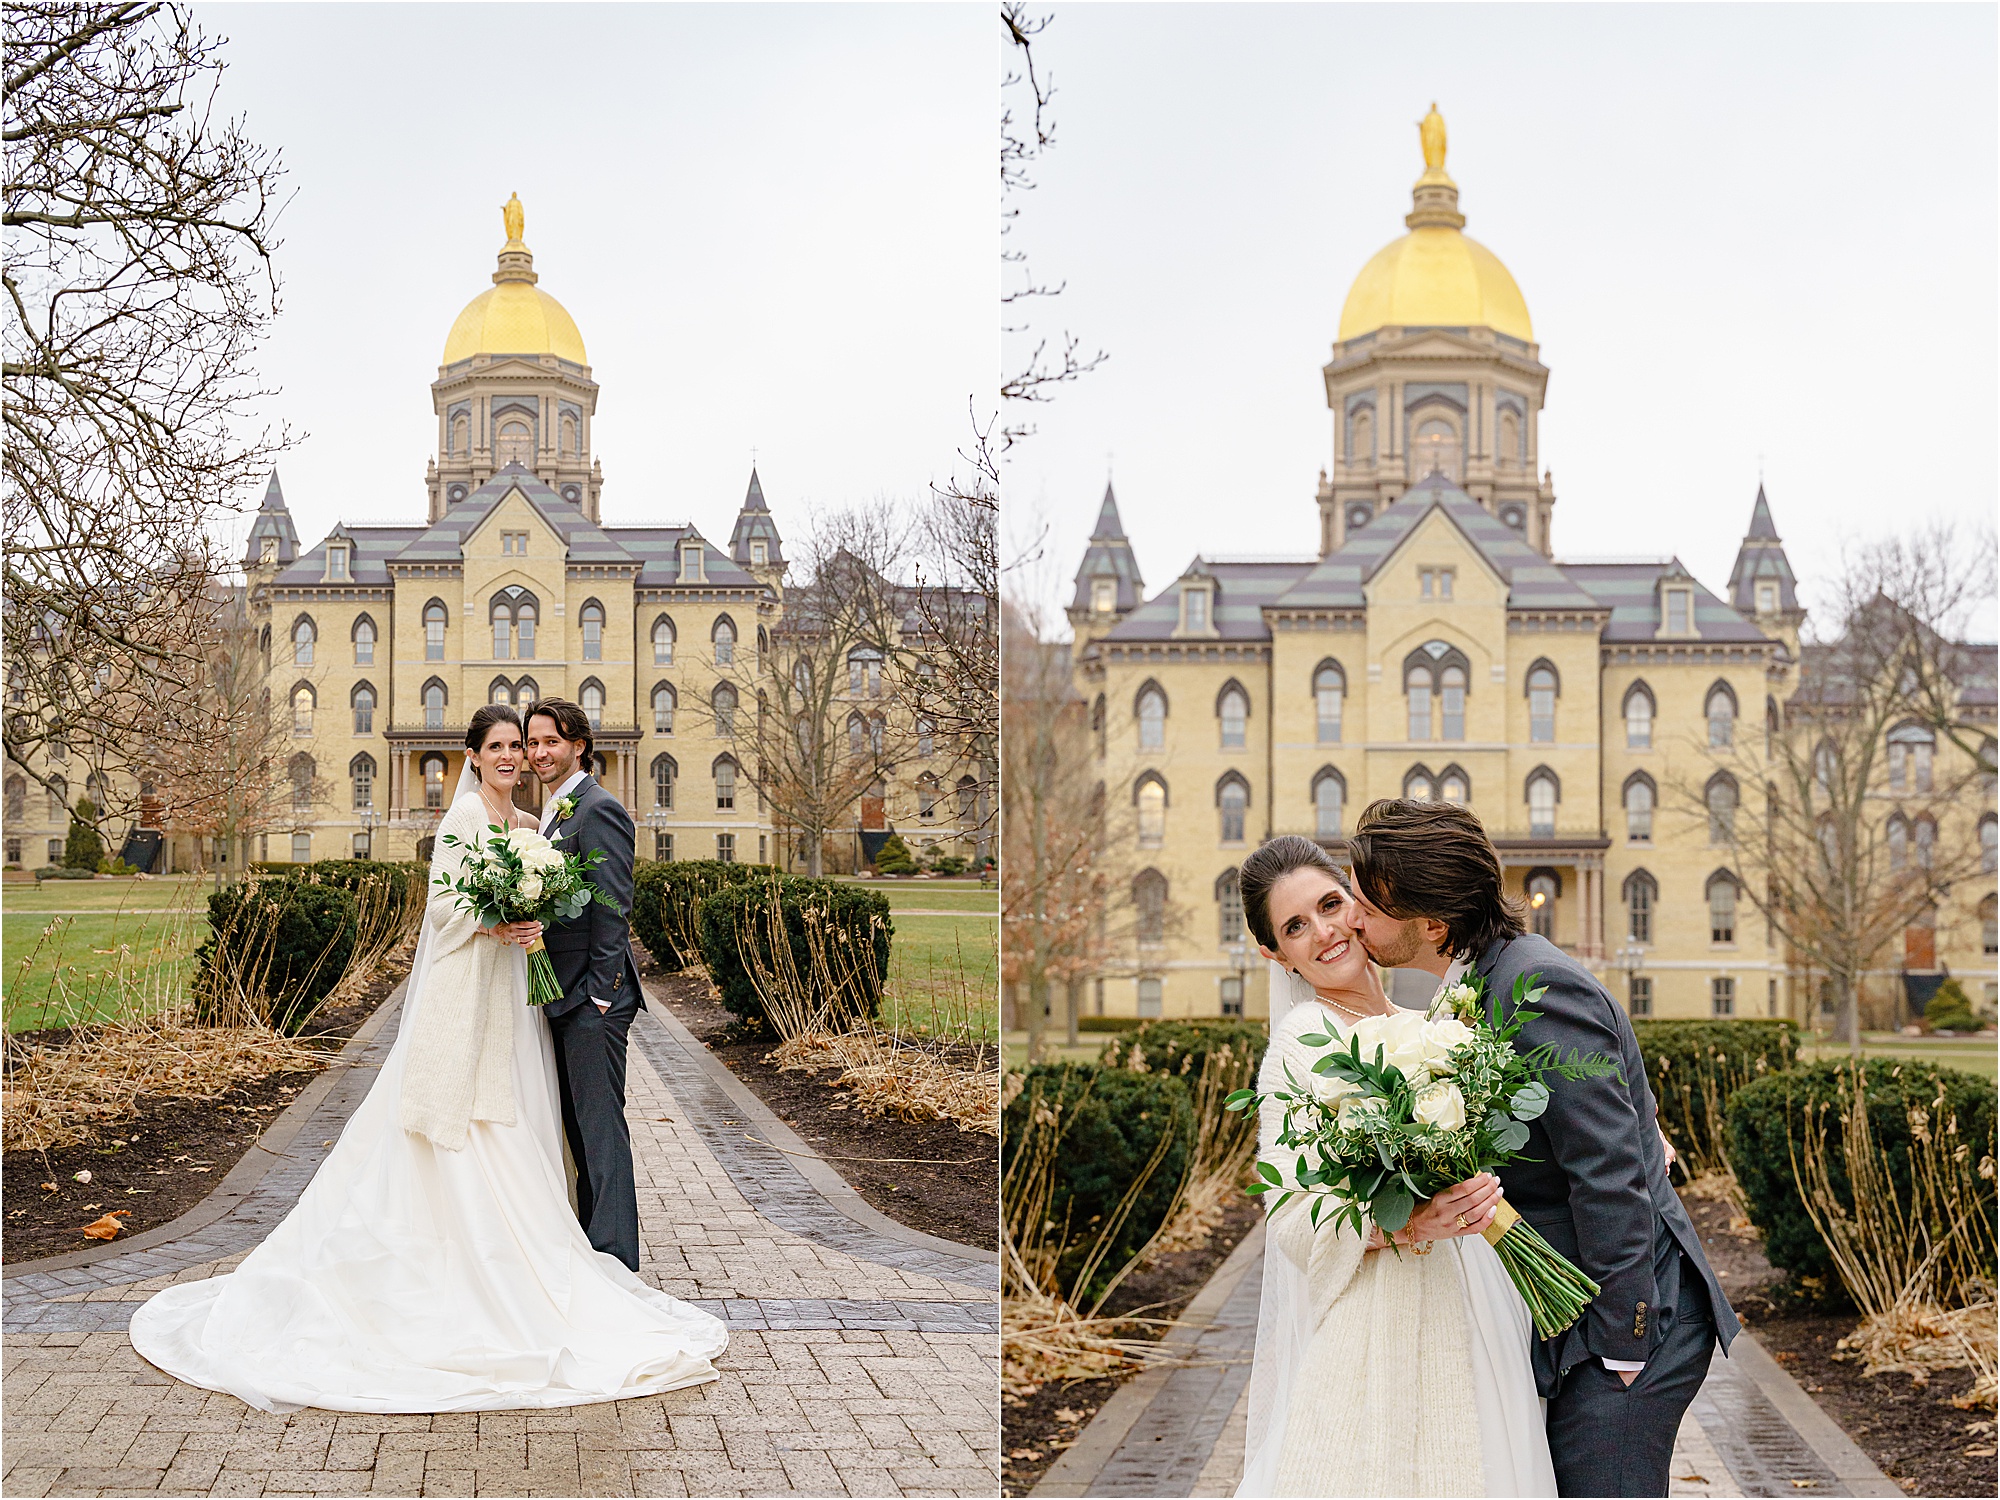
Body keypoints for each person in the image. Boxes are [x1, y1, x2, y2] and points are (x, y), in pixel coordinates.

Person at [129, 705, 727, 1413]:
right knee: (490, 1121)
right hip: (475, 992)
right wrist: (496, 916)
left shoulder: (534, 825)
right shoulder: (468, 818)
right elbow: (445, 907)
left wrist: (583, 977)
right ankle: (500, 1271)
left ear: (571, 747)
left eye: (530, 743)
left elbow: (604, 907)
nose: (519, 755)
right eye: (505, 745)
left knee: (560, 1124)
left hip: (531, 999)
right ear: (473, 755)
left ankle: (593, 1264)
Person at [1345, 798, 1739, 1499]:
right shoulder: (1476, 981)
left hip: (1634, 1319)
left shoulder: (1534, 984)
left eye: (1370, 909)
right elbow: (1601, 1114)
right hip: (1575, 1316)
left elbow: (1608, 1171)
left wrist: (1625, 1342)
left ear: (1432, 923)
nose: (1354, 921)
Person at [1236, 834, 1556, 1499]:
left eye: (1330, 904)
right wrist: (1403, 1221)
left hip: (1474, 1297)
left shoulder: (1439, 1027)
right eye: (1296, 926)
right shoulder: (1299, 1048)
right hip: (1377, 1316)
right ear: (1275, 952)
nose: (1324, 931)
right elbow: (1289, 1213)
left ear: (1356, 900)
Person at [522, 698, 645, 1271]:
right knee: (579, 1133)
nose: (539, 752)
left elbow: (613, 905)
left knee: (600, 1134)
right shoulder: (556, 811)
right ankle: (598, 1254)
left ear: (579, 744)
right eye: (533, 742)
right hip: (564, 996)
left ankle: (618, 1260)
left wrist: (599, 993)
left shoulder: (598, 808)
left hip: (593, 1001)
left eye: (551, 741)